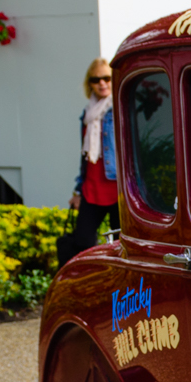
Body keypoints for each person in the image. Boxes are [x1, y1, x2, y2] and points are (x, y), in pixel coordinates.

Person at [64, 57, 117, 258]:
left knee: (122, 246)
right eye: (96, 80)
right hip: (92, 188)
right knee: (83, 243)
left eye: (106, 78)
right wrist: (78, 190)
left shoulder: (119, 109)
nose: (102, 83)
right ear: (90, 84)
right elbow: (85, 157)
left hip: (117, 188)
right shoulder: (87, 114)